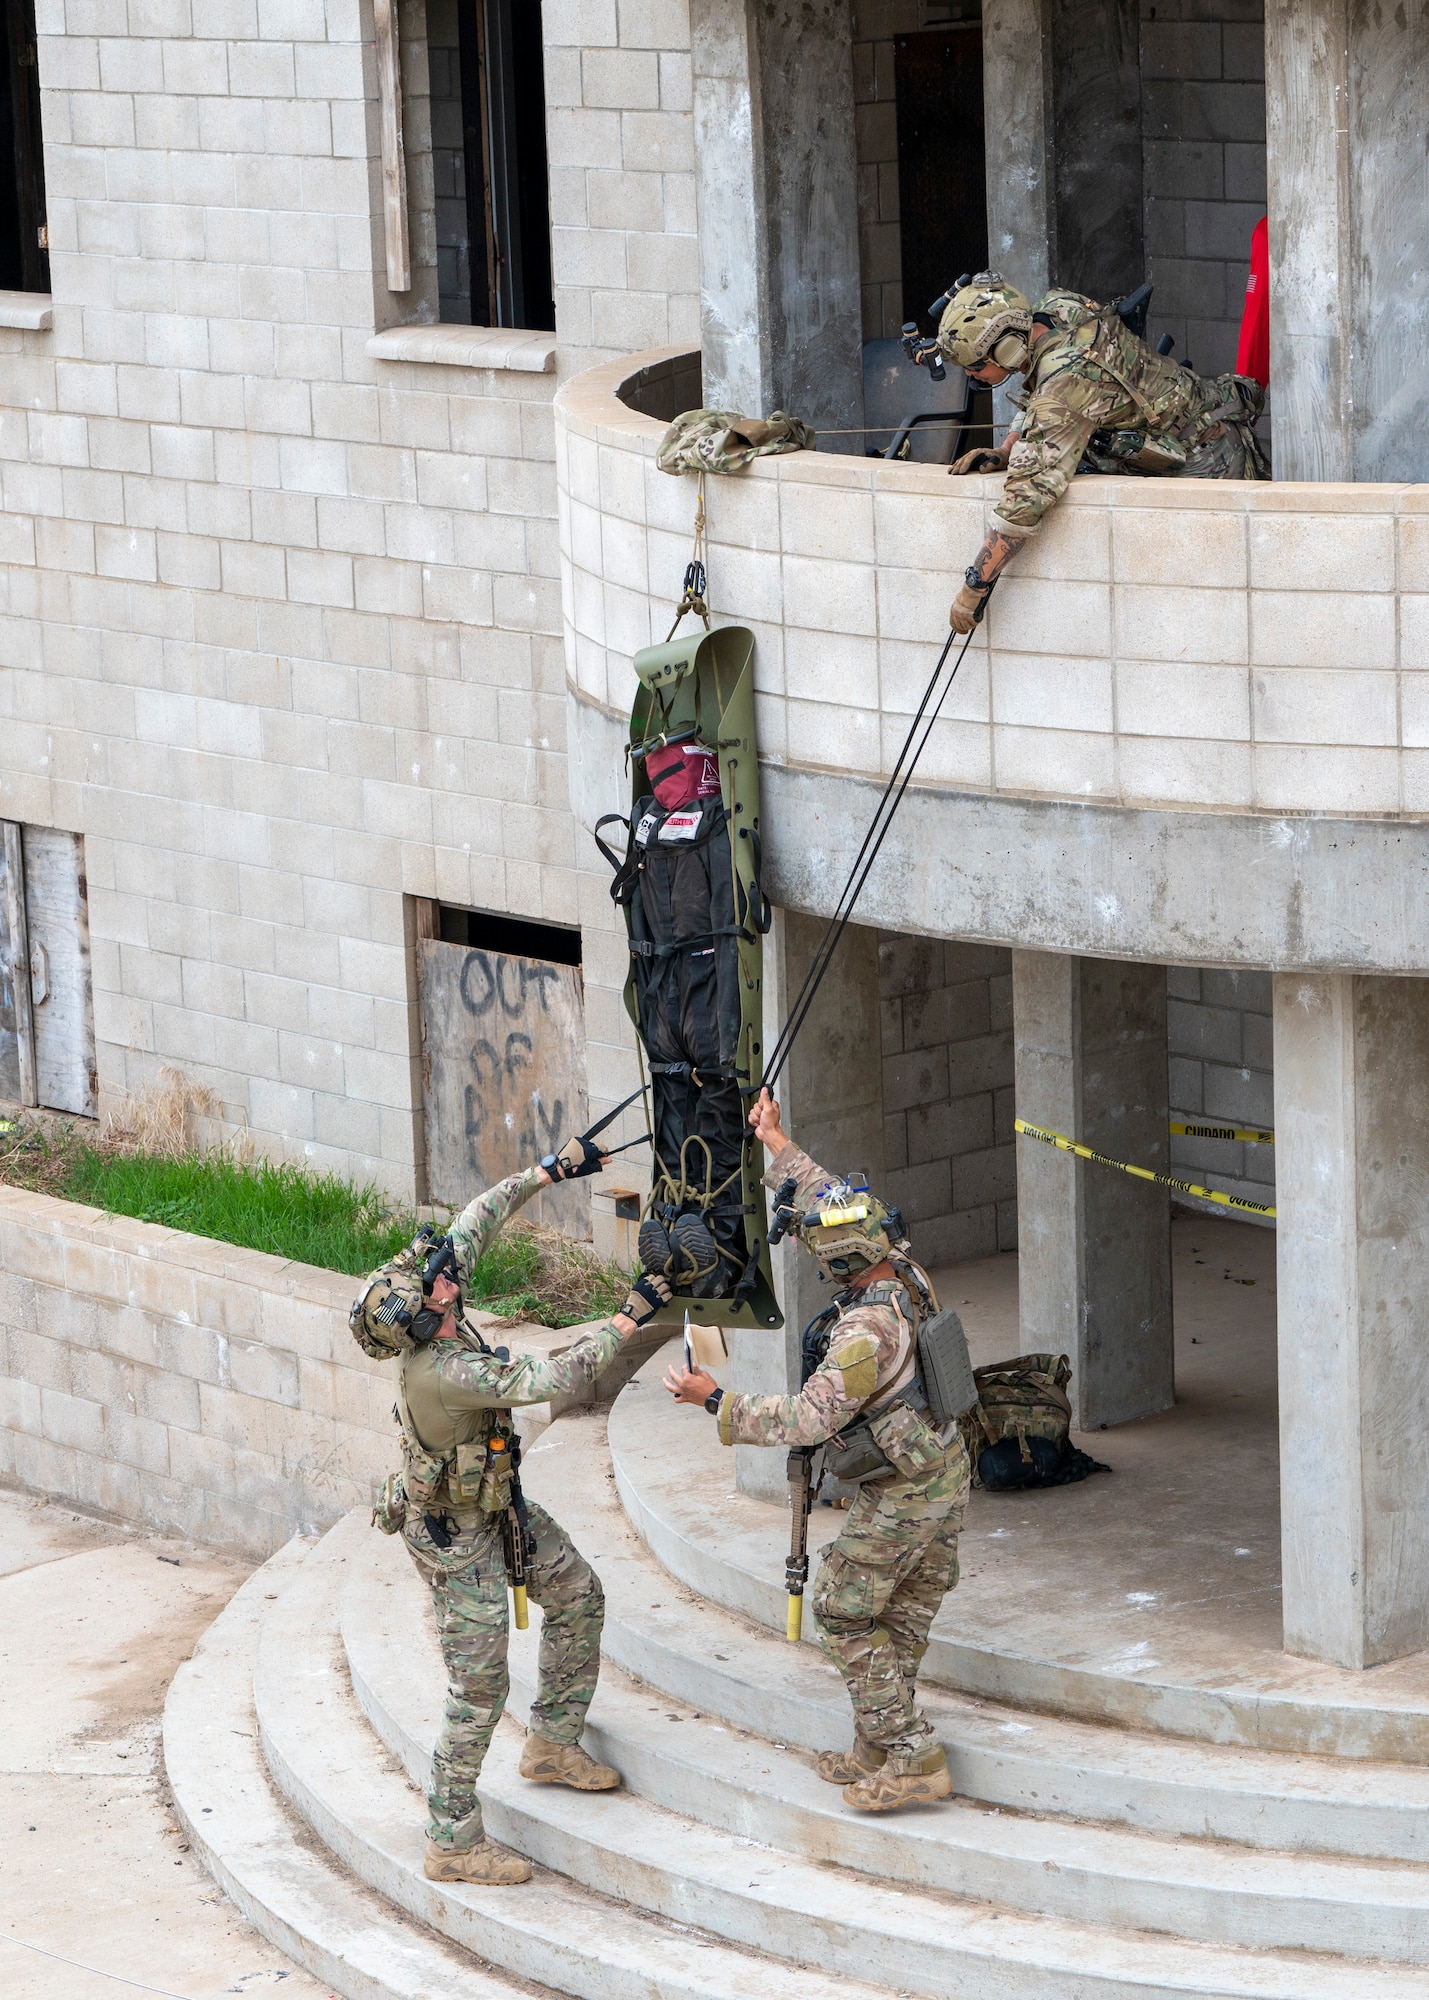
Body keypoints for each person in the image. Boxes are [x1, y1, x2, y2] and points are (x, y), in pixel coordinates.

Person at [351, 1131, 672, 1886]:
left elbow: (475, 1220)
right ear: (421, 1323)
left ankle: (552, 1743)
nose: (445, 1280)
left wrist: (549, 1170)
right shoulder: (449, 1368)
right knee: (480, 1690)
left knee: (579, 1595)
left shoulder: (423, 1296)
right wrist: (628, 1319)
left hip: (494, 1505)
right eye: (434, 1289)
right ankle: (451, 1841)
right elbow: (551, 1373)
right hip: (454, 1537)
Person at [662, 1088, 970, 1814]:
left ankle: (914, 1754)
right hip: (941, 1470)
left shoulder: (864, 1334)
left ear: (838, 1266)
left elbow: (806, 1419)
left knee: (840, 1613)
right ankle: (876, 1743)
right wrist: (775, 1142)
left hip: (902, 1492)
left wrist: (717, 1401)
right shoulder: (901, 1268)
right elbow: (837, 1202)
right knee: (897, 1617)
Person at [939, 271, 1270, 633]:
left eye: (974, 366)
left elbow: (1027, 499)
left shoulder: (1064, 385)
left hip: (1208, 460)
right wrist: (1007, 449)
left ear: (1007, 347)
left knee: (1217, 610)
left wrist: (974, 586)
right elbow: (1040, 387)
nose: (972, 377)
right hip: (1205, 423)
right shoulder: (1057, 308)